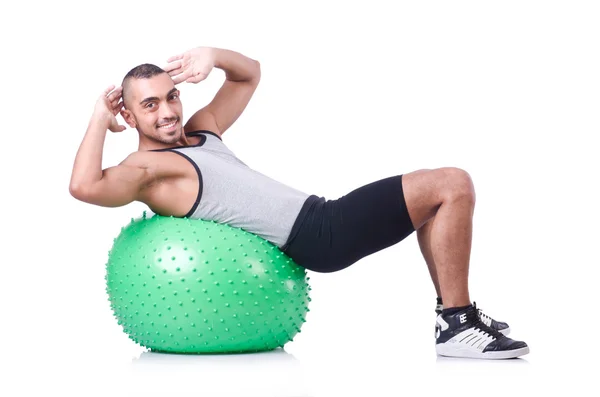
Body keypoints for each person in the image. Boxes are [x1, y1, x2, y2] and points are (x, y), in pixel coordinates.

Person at [69, 46, 529, 360]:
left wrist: (212, 54)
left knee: (438, 198)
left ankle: (455, 318)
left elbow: (248, 73)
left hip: (322, 216)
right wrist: (96, 118)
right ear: (127, 114)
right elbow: (85, 187)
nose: (167, 111)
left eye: (171, 96)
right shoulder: (151, 169)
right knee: (452, 183)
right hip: (319, 232)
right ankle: (457, 322)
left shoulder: (203, 132)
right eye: (149, 106)